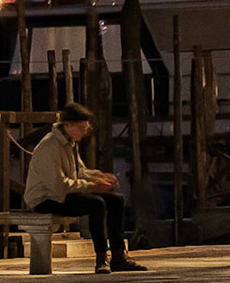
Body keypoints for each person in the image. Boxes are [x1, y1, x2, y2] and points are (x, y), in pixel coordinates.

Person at [24, 103, 148, 273]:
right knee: (96, 204)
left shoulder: (70, 142)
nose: (85, 132)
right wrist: (93, 186)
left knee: (116, 200)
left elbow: (79, 171)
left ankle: (119, 256)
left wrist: (100, 177)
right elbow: (59, 186)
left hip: (62, 194)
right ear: (68, 124)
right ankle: (101, 257)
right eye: (81, 128)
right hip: (45, 198)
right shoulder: (50, 146)